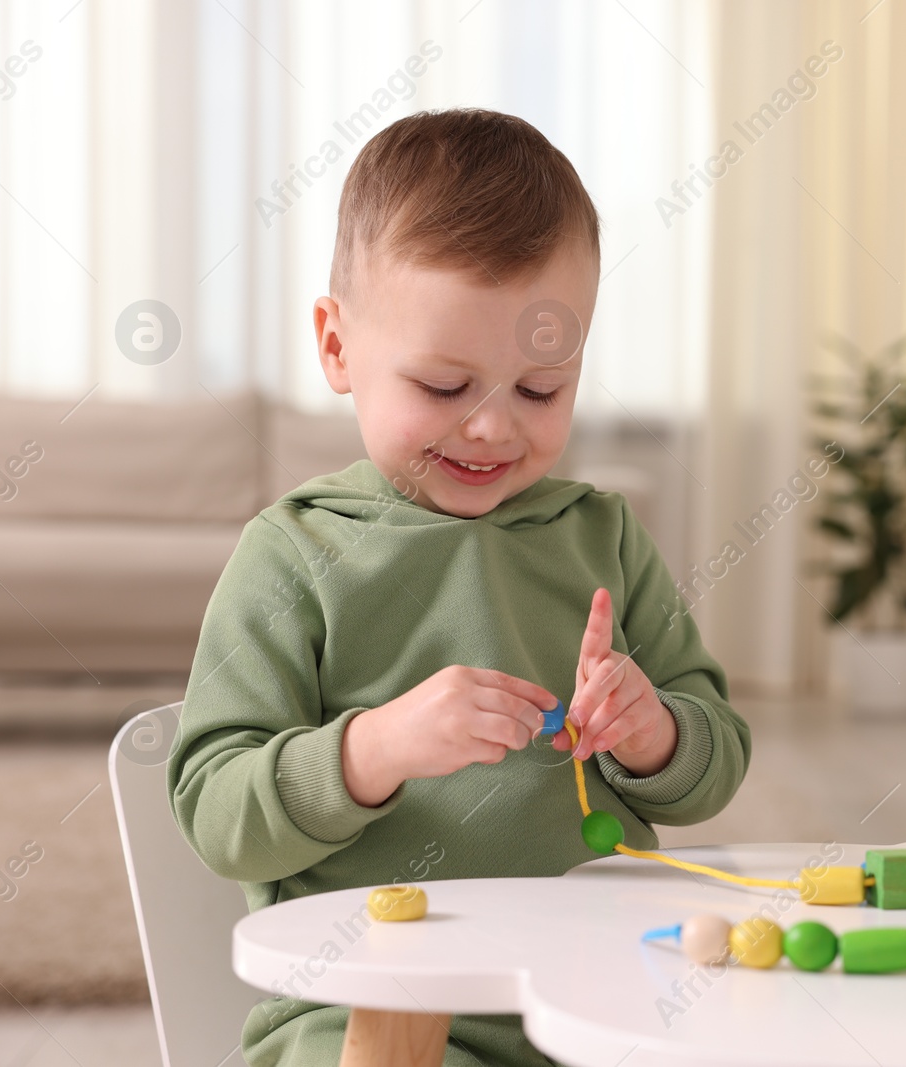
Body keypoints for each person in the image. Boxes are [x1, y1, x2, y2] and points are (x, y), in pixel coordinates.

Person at [167, 108, 751, 1066]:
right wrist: (375, 748)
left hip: (609, 995)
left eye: (539, 391)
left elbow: (716, 754)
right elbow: (214, 810)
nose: (490, 430)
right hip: (368, 1011)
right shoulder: (295, 553)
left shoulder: (600, 536)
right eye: (444, 388)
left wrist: (658, 735)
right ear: (337, 346)